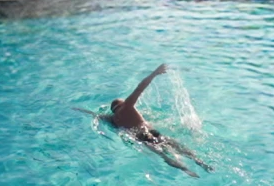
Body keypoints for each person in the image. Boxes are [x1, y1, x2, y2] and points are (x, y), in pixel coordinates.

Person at [77, 63, 212, 178]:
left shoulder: (112, 118)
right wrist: (155, 73)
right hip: (151, 132)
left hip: (139, 137)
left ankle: (186, 170)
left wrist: (79, 109)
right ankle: (199, 161)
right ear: (122, 103)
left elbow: (94, 114)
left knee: (164, 156)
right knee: (177, 146)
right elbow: (139, 88)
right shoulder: (127, 106)